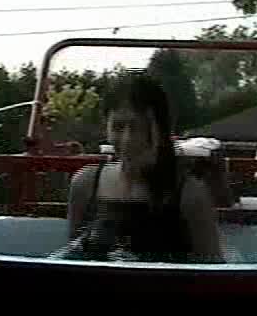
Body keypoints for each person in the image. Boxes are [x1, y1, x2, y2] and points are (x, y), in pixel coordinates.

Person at [55, 72, 224, 263]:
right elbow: (72, 264)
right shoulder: (85, 184)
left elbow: (212, 269)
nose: (128, 139)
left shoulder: (189, 193)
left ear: (160, 130)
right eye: (118, 127)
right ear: (106, 127)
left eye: (139, 127)